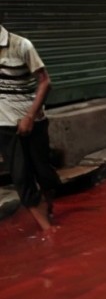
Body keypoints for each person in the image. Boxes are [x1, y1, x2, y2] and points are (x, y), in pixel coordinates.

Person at [0, 24, 60, 234]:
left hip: (34, 121)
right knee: (21, 177)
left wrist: (29, 117)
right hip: (4, 126)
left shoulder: (21, 45)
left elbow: (45, 82)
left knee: (44, 173)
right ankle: (48, 230)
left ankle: (49, 206)